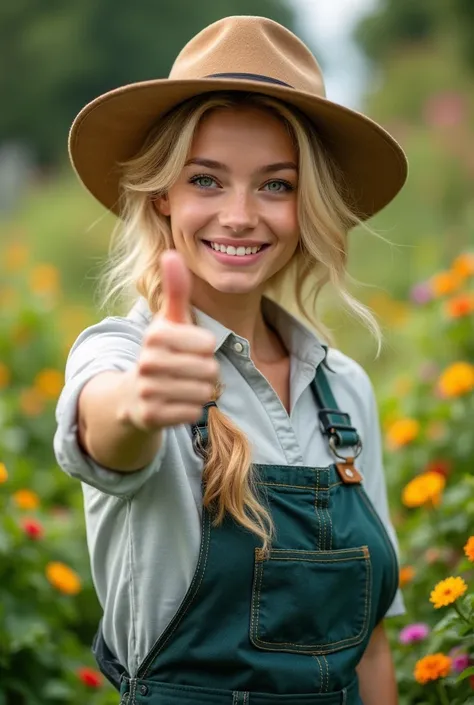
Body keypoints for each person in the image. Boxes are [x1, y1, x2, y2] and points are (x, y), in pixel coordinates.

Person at [55, 15, 408, 705]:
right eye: (207, 180)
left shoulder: (345, 389)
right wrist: (140, 405)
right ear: (164, 195)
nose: (241, 215)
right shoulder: (124, 353)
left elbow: (371, 645)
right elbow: (107, 428)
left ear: (309, 205)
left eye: (275, 184)